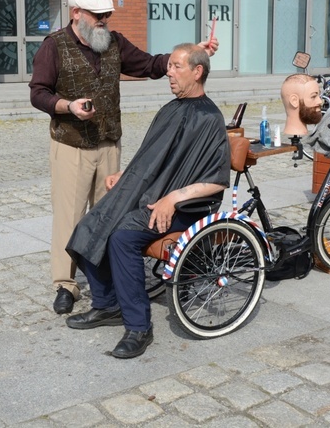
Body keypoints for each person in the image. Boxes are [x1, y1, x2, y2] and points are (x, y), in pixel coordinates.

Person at [29, 0, 218, 315]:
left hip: (108, 143)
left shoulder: (112, 43)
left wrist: (193, 55)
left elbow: (149, 64)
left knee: (111, 214)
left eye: (107, 16)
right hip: (71, 145)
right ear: (77, 14)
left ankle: (111, 283)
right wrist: (67, 106)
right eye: (98, 16)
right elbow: (38, 93)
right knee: (70, 217)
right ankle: (66, 285)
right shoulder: (53, 47)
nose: (104, 21)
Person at [64, 43, 231, 359]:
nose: (168, 71)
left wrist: (173, 198)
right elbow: (155, 157)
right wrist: (126, 174)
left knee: (122, 237)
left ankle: (138, 327)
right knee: (89, 226)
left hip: (188, 206)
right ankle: (107, 303)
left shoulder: (210, 118)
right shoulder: (171, 109)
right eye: (169, 66)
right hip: (156, 193)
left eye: (176, 66)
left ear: (198, 72)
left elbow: (217, 179)